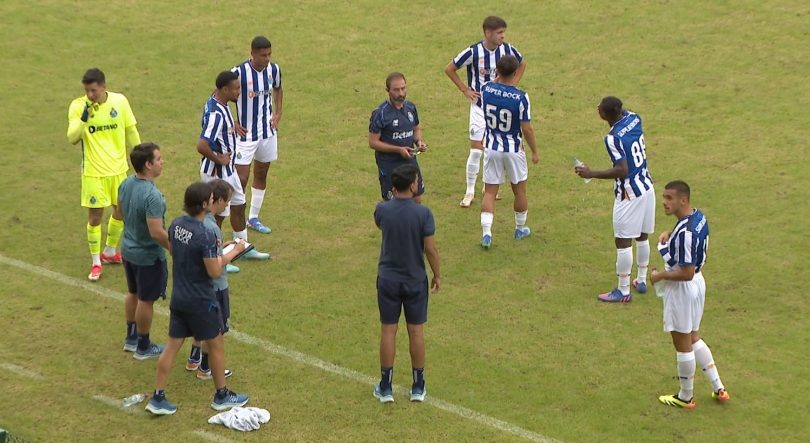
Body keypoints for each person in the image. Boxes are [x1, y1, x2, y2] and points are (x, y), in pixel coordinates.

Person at [145, 182, 249, 415]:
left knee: (172, 347)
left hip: (179, 296)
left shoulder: (176, 224)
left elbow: (175, 250)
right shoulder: (205, 235)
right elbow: (214, 271)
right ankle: (221, 395)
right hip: (202, 300)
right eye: (211, 198)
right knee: (216, 345)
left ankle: (157, 396)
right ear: (204, 204)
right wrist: (232, 253)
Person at [650, 181, 729, 408]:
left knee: (682, 343)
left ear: (682, 201)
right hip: (698, 284)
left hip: (683, 289)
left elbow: (685, 273)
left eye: (669, 198)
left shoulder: (685, 233)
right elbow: (687, 240)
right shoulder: (698, 217)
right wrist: (669, 233)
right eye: (664, 197)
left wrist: (661, 276)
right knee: (693, 337)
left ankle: (686, 397)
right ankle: (719, 388)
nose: (664, 202)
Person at [575, 96, 655, 303]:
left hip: (629, 193)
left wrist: (591, 174)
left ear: (605, 114)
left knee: (623, 242)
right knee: (643, 236)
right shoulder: (635, 118)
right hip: (646, 186)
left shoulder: (613, 138)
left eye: (600, 108)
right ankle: (642, 279)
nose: (597, 109)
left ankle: (623, 290)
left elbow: (622, 170)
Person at [372, 165, 441, 403]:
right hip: (415, 279)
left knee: (388, 331)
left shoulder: (382, 210)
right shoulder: (424, 214)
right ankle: (418, 386)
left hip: (388, 279)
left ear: (393, 186)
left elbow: (381, 225)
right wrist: (437, 275)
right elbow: (430, 249)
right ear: (413, 185)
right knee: (416, 331)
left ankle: (386, 386)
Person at [67, 68, 141, 281]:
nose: (90, 94)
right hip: (94, 173)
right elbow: (72, 138)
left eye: (94, 90)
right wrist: (84, 118)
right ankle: (96, 262)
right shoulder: (79, 106)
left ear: (103, 87)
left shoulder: (119, 102)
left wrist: (140, 160)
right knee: (95, 216)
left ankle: (109, 251)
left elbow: (131, 131)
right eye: (87, 90)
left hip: (118, 170)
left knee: (121, 210)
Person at [445, 16, 526, 208]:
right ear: (487, 33)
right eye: (499, 32)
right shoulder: (473, 51)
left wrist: (513, 84)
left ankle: (488, 187)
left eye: (503, 32)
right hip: (480, 108)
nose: (502, 36)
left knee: (493, 148)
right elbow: (450, 68)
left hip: (500, 109)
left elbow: (522, 63)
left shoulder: (507, 50)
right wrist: (464, 89)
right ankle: (469, 191)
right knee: (476, 151)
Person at [197, 71, 270, 272]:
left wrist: (232, 125)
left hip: (228, 170)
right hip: (217, 173)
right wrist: (219, 158)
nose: (240, 91)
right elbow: (202, 145)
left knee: (239, 203)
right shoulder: (215, 115)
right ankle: (216, 256)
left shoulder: (220, 103)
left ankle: (241, 246)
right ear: (225, 89)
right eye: (236, 88)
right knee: (216, 215)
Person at [478, 56, 539, 249]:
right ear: (515, 72)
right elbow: (526, 128)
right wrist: (535, 151)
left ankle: (487, 233)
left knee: (489, 191)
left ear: (497, 71)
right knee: (519, 190)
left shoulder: (486, 89)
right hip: (513, 149)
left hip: (492, 147)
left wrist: (497, 78)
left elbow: (494, 84)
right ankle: (519, 229)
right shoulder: (521, 97)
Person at [118, 143, 169, 360]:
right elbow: (157, 232)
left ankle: (131, 339)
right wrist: (175, 248)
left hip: (128, 249)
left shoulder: (126, 183)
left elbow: (119, 214)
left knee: (133, 292)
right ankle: (144, 345)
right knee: (146, 300)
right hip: (147, 256)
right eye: (158, 159)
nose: (162, 162)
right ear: (148, 164)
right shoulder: (152, 196)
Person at [231, 36, 283, 235]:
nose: (267, 58)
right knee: (241, 179)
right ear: (252, 53)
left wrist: (278, 112)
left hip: (268, 132)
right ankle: (238, 221)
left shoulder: (274, 70)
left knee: (261, 173)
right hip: (245, 136)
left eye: (269, 54)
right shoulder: (238, 73)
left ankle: (253, 217)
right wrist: (233, 122)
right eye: (263, 55)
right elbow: (217, 96)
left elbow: (278, 88)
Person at [185, 179, 234, 380]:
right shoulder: (212, 228)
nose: (227, 205)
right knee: (214, 329)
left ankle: (193, 358)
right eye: (226, 201)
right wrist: (235, 251)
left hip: (194, 284)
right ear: (217, 200)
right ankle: (206, 367)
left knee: (200, 323)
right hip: (214, 287)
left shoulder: (193, 221)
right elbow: (215, 264)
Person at [368, 72, 428, 203]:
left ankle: (413, 224)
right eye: (396, 90)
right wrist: (398, 149)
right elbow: (373, 142)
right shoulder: (380, 114)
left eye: (403, 88)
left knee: (417, 199)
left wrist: (419, 141)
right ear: (387, 90)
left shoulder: (411, 108)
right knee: (391, 204)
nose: (401, 93)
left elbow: (416, 129)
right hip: (389, 164)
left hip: (409, 161)